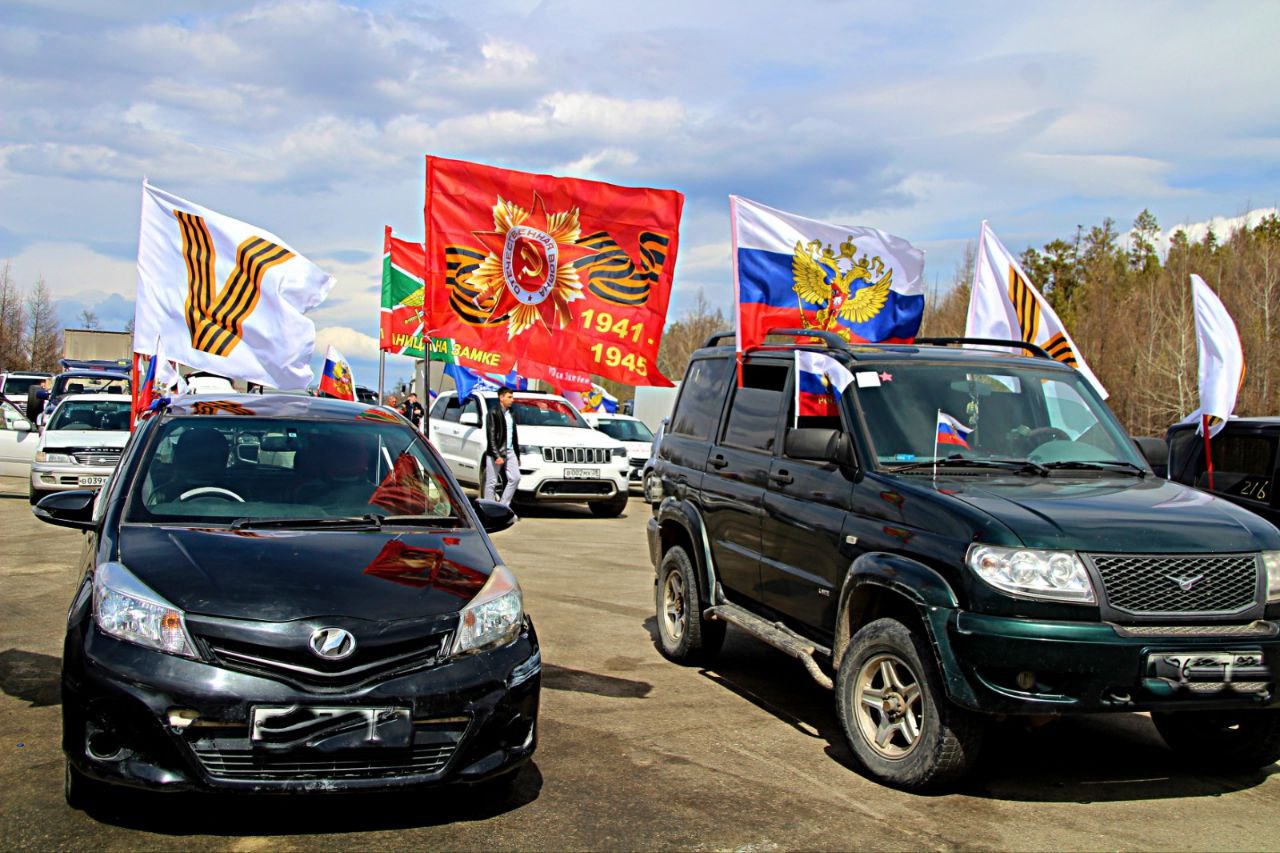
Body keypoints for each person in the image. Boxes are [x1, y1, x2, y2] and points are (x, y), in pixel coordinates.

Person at [483, 386, 520, 506]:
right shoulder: (493, 412)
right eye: (509, 397)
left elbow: (514, 435)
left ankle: (503, 506)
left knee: (515, 478)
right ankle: (488, 508)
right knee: (491, 482)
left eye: (512, 397)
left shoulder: (512, 413)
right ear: (501, 397)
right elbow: (491, 436)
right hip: (496, 452)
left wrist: (517, 455)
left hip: (510, 451)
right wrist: (496, 455)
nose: (512, 399)